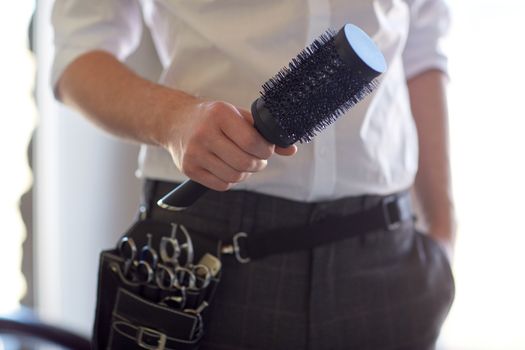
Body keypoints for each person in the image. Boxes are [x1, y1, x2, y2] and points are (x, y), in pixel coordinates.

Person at [51, 0, 456, 349]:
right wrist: (175, 120)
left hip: (386, 256)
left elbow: (422, 47)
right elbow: (79, 53)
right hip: (208, 255)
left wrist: (443, 229)